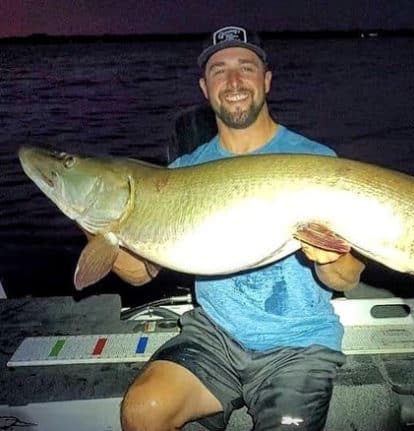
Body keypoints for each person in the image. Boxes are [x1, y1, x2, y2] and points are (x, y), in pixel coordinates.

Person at [119, 26, 366, 431]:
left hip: (298, 344)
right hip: (214, 335)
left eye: (246, 67)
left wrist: (329, 256)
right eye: (219, 70)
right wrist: (98, 221)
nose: (233, 81)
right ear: (205, 88)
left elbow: (349, 277)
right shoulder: (181, 173)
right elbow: (139, 271)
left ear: (266, 80)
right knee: (143, 410)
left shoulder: (315, 162)